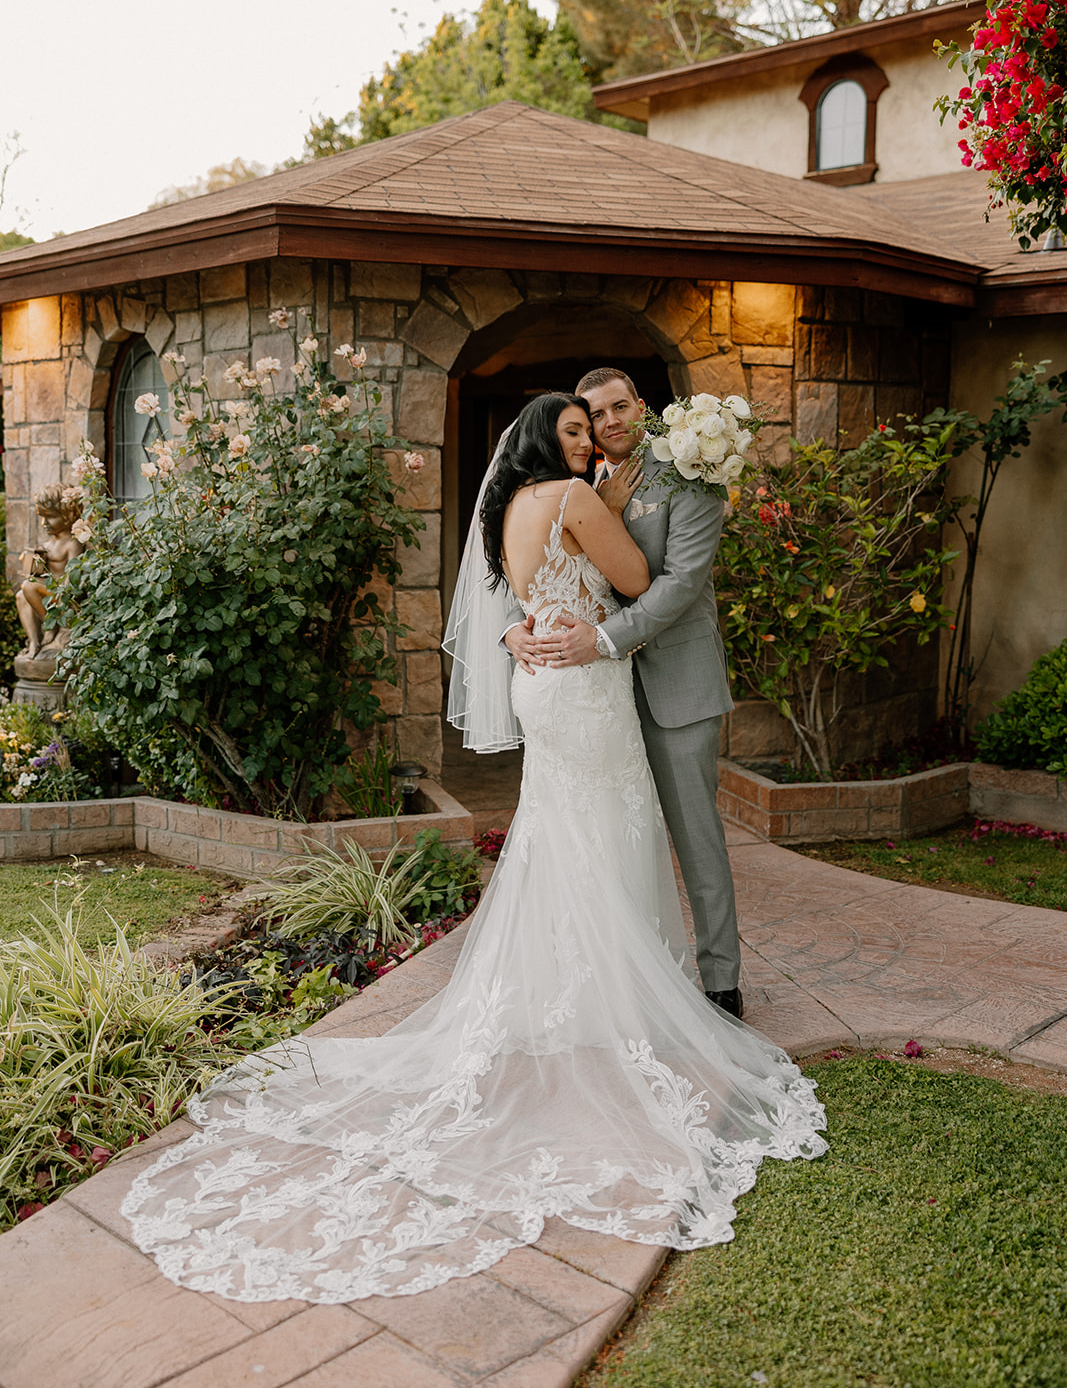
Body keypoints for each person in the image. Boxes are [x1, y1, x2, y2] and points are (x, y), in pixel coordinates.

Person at [122, 393, 826, 1305]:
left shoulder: (508, 508)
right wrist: (601, 537)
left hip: (551, 690)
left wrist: (535, 615)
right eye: (575, 428)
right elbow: (635, 581)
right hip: (584, 686)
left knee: (554, 836)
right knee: (607, 832)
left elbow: (508, 590)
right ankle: (622, 999)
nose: (590, 435)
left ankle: (561, 994)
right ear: (546, 442)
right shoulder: (573, 499)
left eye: (598, 422)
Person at [504, 369, 743, 1018]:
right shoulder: (583, 489)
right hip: (599, 698)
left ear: (642, 408)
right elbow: (536, 567)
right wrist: (512, 628)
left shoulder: (689, 477)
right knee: (616, 841)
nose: (607, 422)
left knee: (696, 839)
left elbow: (680, 584)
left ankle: (721, 982)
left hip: (674, 688)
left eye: (618, 407)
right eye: (592, 414)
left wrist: (604, 640)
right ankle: (629, 981)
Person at [16, 484, 85, 658]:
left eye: (50, 517)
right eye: (42, 517)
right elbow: (38, 574)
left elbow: (73, 575)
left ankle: (50, 623)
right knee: (20, 595)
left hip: (64, 594)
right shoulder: (49, 544)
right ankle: (34, 641)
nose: (44, 523)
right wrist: (30, 563)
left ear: (68, 515)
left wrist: (65, 596)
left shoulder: (73, 543)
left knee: (28, 587)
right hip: (48, 592)